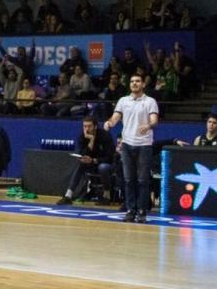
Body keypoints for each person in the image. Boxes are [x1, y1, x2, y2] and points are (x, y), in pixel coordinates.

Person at [103, 75, 159, 223]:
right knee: (128, 180)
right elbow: (115, 117)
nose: (134, 83)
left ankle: (142, 211)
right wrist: (109, 123)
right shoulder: (123, 101)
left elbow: (154, 120)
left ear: (143, 85)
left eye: (138, 81)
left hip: (144, 145)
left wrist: (148, 125)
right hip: (127, 145)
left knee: (142, 180)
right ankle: (130, 209)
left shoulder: (150, 101)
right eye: (132, 81)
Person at [56, 117, 114, 205]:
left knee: (103, 167)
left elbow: (110, 156)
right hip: (90, 162)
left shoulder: (105, 135)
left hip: (104, 163)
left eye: (89, 126)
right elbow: (82, 153)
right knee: (81, 164)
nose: (86, 129)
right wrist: (91, 140)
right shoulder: (83, 136)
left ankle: (107, 196)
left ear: (95, 126)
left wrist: (94, 160)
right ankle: (68, 196)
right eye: (84, 126)